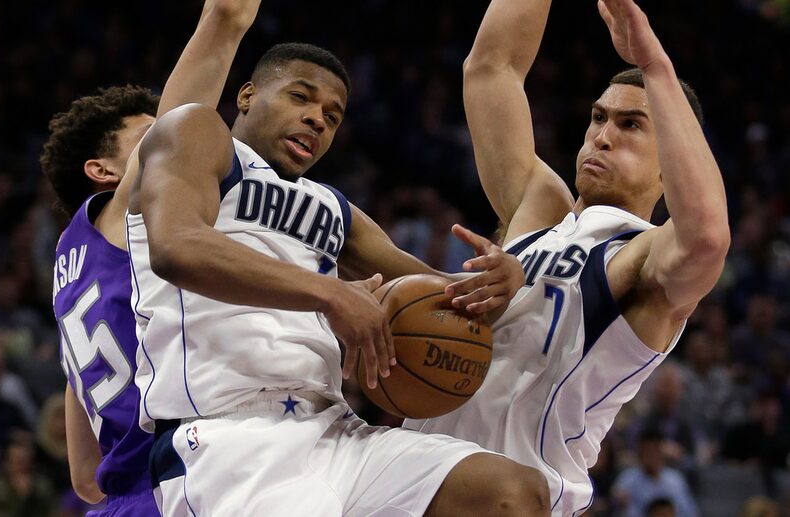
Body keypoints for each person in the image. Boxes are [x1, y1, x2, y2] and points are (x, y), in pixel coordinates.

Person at [128, 41, 549, 516]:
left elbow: (441, 294)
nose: (317, 119)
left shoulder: (332, 208)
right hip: (227, 437)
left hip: (335, 430)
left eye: (333, 115)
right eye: (300, 97)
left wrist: (498, 283)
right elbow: (176, 246)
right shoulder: (198, 134)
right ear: (247, 95)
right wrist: (329, 293)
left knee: (513, 494)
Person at [404, 0, 730, 515]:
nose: (601, 137)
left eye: (630, 125)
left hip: (517, 497)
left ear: (671, 163)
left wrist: (654, 65)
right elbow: (492, 69)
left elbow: (708, 239)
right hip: (412, 477)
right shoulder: (540, 211)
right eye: (598, 118)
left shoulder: (640, 258)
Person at [41, 0, 265, 512]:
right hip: (183, 485)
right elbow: (226, 15)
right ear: (102, 171)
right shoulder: (129, 214)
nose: (172, 145)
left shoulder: (70, 264)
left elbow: (83, 476)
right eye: (151, 138)